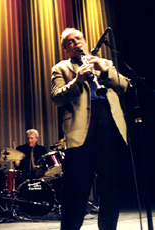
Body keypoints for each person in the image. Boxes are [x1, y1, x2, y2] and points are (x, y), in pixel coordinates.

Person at [51, 28, 129, 230]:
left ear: (85, 41)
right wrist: (77, 80)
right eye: (70, 41)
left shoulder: (105, 63)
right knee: (76, 190)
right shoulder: (61, 68)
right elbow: (57, 97)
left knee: (111, 188)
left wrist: (104, 71)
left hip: (111, 124)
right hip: (81, 129)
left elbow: (125, 86)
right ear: (66, 50)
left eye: (79, 38)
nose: (77, 43)